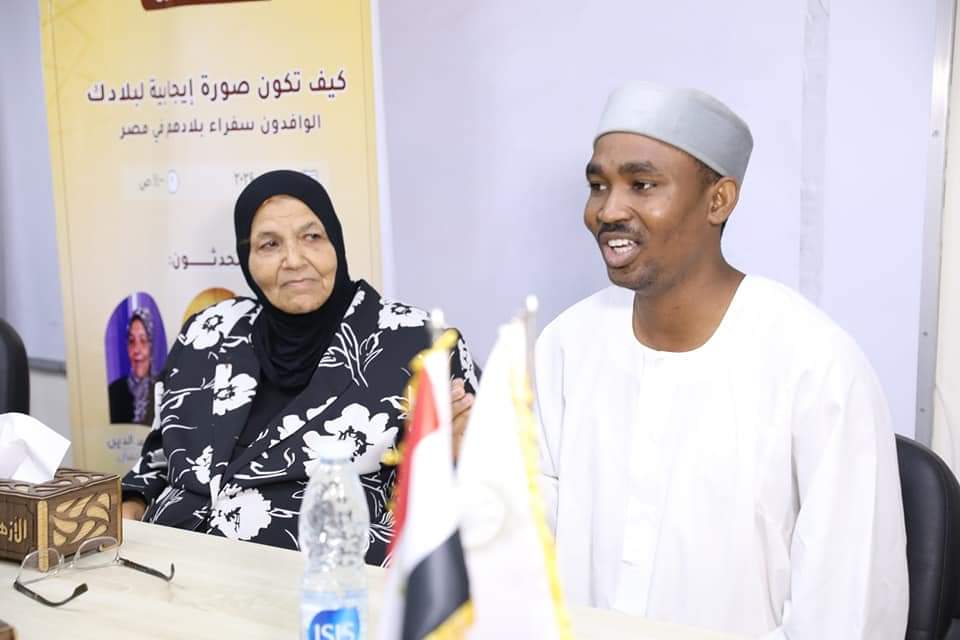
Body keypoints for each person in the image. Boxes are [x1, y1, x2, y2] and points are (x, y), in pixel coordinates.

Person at [534, 83, 908, 638]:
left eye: (642, 184)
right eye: (598, 186)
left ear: (719, 201)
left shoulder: (817, 366)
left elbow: (846, 612)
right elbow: (526, 549)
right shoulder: (566, 346)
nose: (608, 210)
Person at [121, 170, 479, 566]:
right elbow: (158, 455)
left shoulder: (418, 342)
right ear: (246, 259)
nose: (293, 260)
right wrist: (130, 505)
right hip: (168, 565)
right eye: (269, 244)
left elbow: (474, 490)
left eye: (311, 237)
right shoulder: (210, 330)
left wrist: (451, 459)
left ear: (335, 243)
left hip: (322, 577)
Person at [108, 308, 156, 426]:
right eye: (131, 341)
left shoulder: (162, 391)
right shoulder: (114, 392)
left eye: (143, 341)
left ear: (151, 346)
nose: (136, 350)